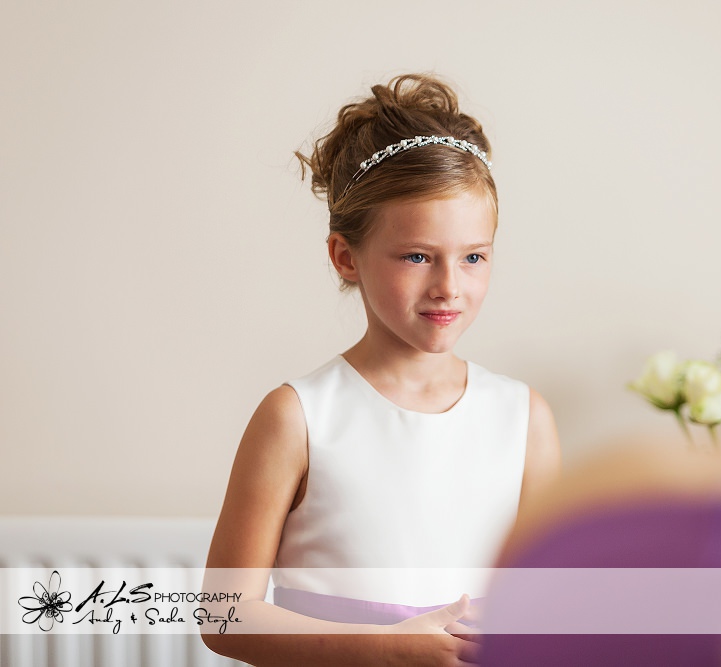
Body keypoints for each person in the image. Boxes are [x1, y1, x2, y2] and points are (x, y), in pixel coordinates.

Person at [202, 73, 561, 667]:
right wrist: (390, 648)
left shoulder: (524, 419)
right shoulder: (297, 418)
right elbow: (223, 615)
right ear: (345, 257)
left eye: (473, 257)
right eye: (417, 256)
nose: (449, 286)